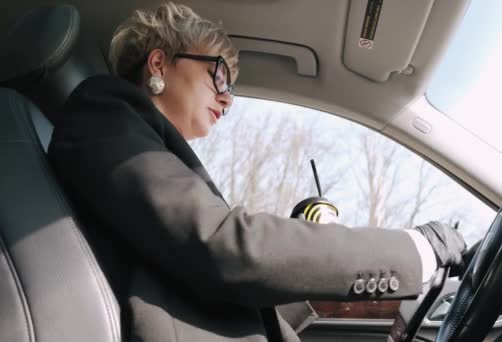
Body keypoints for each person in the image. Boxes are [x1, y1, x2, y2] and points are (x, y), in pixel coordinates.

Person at [48, 3, 466, 342]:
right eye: (220, 77)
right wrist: (417, 249)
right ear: (159, 63)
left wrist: (314, 282)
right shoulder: (102, 113)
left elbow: (213, 286)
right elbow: (223, 248)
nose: (228, 100)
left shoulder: (149, 152)